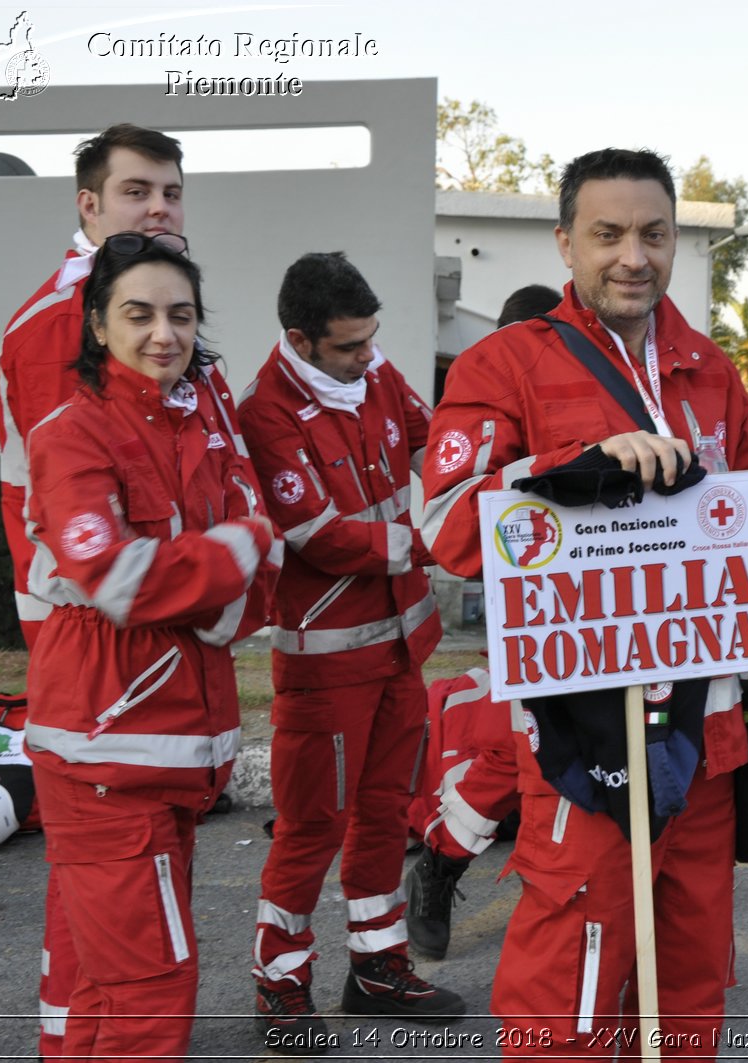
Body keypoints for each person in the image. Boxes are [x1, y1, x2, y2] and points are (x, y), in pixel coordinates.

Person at [420, 147, 748, 1058]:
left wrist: (723, 500)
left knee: (689, 979)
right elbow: (444, 523)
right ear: (565, 243)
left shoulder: (711, 367)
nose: (635, 255)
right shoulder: (504, 362)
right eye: (609, 234)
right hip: (582, 729)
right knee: (572, 975)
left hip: (707, 730)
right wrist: (571, 476)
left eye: (654, 234)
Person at [22, 234, 280, 1062]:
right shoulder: (71, 434)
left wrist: (218, 575)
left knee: (102, 981)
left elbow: (256, 579)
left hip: (168, 754)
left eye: (181, 314)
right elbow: (120, 576)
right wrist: (232, 552)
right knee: (150, 989)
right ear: (98, 323)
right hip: (108, 759)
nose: (162, 333)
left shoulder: (195, 426)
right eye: (138, 314)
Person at [0, 124, 186, 1058]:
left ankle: (69, 1045)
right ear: (88, 205)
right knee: (135, 945)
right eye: (137, 191)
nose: (159, 209)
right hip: (101, 657)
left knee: (93, 909)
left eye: (172, 193)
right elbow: (78, 513)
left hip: (138, 659)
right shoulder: (58, 324)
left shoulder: (143, 303)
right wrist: (220, 561)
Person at [237, 252, 462, 1052]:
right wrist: (434, 540)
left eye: (372, 341)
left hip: (402, 648)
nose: (368, 357)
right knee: (310, 827)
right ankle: (281, 985)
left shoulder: (373, 375)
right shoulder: (263, 413)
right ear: (300, 339)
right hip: (326, 668)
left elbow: (435, 441)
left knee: (384, 817)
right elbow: (319, 537)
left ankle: (378, 967)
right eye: (349, 347)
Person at [403, 282, 560, 961]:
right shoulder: (487, 397)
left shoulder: (597, 386)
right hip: (526, 612)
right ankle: (439, 864)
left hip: (615, 618)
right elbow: (458, 524)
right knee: (519, 754)